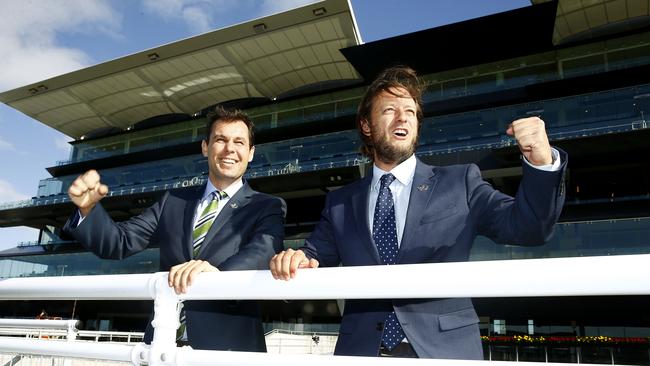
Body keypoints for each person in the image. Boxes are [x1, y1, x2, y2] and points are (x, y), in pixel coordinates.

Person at [270, 66, 567, 359]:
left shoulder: (460, 182)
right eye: (389, 110)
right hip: (361, 353)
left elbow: (529, 229)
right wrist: (294, 258)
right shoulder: (339, 202)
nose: (402, 118)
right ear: (366, 125)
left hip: (442, 353)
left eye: (410, 112)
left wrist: (541, 161)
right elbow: (312, 257)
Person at [64, 106, 286, 352]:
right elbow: (120, 242)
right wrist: (88, 211)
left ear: (251, 152)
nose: (229, 149)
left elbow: (263, 251)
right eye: (220, 139)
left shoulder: (266, 205)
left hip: (228, 347)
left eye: (239, 142)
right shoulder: (173, 201)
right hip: (161, 344)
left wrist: (216, 274)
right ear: (205, 147)